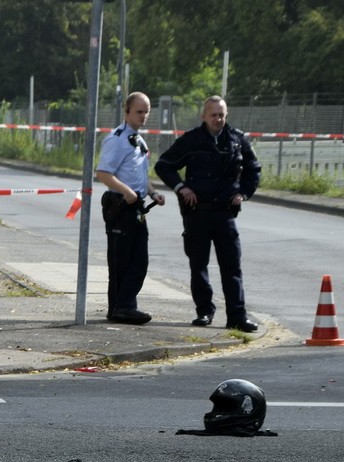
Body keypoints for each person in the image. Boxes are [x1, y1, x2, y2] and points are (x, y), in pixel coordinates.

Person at [155, 95, 261, 332]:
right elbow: (164, 165)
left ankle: (237, 316)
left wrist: (243, 193)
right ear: (204, 116)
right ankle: (204, 311)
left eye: (221, 114)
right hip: (198, 213)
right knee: (198, 265)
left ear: (226, 114)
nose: (218, 119)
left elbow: (254, 169)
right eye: (213, 115)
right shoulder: (192, 140)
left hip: (225, 214)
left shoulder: (237, 139)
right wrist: (181, 187)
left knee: (232, 267)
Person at [95, 92, 166, 325]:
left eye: (146, 111)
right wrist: (126, 191)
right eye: (139, 111)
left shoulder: (138, 140)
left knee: (140, 260)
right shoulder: (117, 138)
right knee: (120, 261)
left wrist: (152, 192)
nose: (144, 116)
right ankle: (119, 307)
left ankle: (126, 304)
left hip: (136, 205)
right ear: (127, 111)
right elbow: (103, 174)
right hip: (120, 204)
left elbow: (140, 175)